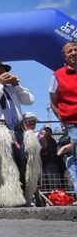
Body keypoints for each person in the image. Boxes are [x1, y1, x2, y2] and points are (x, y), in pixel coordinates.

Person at [0, 58, 35, 207]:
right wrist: (0, 84)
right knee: (4, 165)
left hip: (18, 129)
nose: (1, 74)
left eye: (3, 72)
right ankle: (6, 198)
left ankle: (24, 197)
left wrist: (16, 84)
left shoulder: (12, 90)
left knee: (22, 161)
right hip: (0, 130)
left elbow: (29, 100)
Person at [49, 42, 77, 197]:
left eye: (75, 49)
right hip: (72, 123)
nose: (73, 53)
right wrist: (62, 119)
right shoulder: (57, 75)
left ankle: (69, 153)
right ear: (64, 56)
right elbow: (53, 102)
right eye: (69, 51)